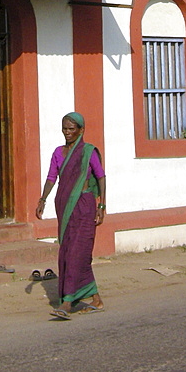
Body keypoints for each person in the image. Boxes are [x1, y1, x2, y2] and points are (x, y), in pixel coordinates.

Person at [35, 112, 106, 319]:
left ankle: (66, 303)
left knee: (78, 252)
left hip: (84, 206)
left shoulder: (88, 152)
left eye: (71, 129)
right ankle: (95, 298)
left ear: (81, 130)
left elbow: (100, 177)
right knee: (68, 253)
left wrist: (102, 205)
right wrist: (43, 199)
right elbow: (51, 177)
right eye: (64, 129)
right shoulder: (58, 152)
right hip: (65, 207)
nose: (67, 133)